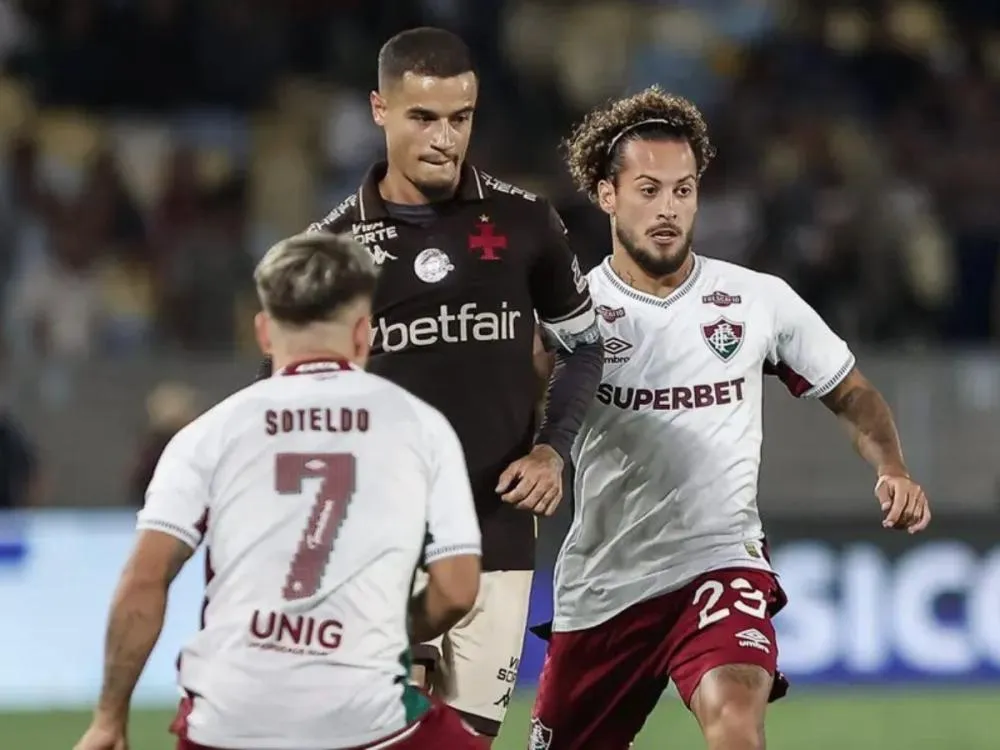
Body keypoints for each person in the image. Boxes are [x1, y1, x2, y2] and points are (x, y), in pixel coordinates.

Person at [528, 87, 932, 750]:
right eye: (649, 190)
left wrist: (892, 467)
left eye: (683, 191)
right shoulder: (573, 313)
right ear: (607, 194)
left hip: (721, 565)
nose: (669, 210)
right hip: (605, 586)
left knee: (736, 724)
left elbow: (851, 391)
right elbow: (515, 411)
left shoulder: (755, 300)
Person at [278, 27, 602, 741]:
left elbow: (585, 349)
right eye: (423, 117)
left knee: (467, 740)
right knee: (397, 733)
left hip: (501, 532)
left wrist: (553, 451)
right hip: (384, 536)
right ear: (379, 110)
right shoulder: (332, 251)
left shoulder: (523, 223)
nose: (444, 138)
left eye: (461, 118)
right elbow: (295, 401)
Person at [73, 233, 488, 750]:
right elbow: (457, 589)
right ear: (363, 335)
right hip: (365, 716)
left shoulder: (206, 434)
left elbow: (143, 580)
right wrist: (391, 627)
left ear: (265, 333)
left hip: (228, 722)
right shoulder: (422, 427)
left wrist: (109, 718)